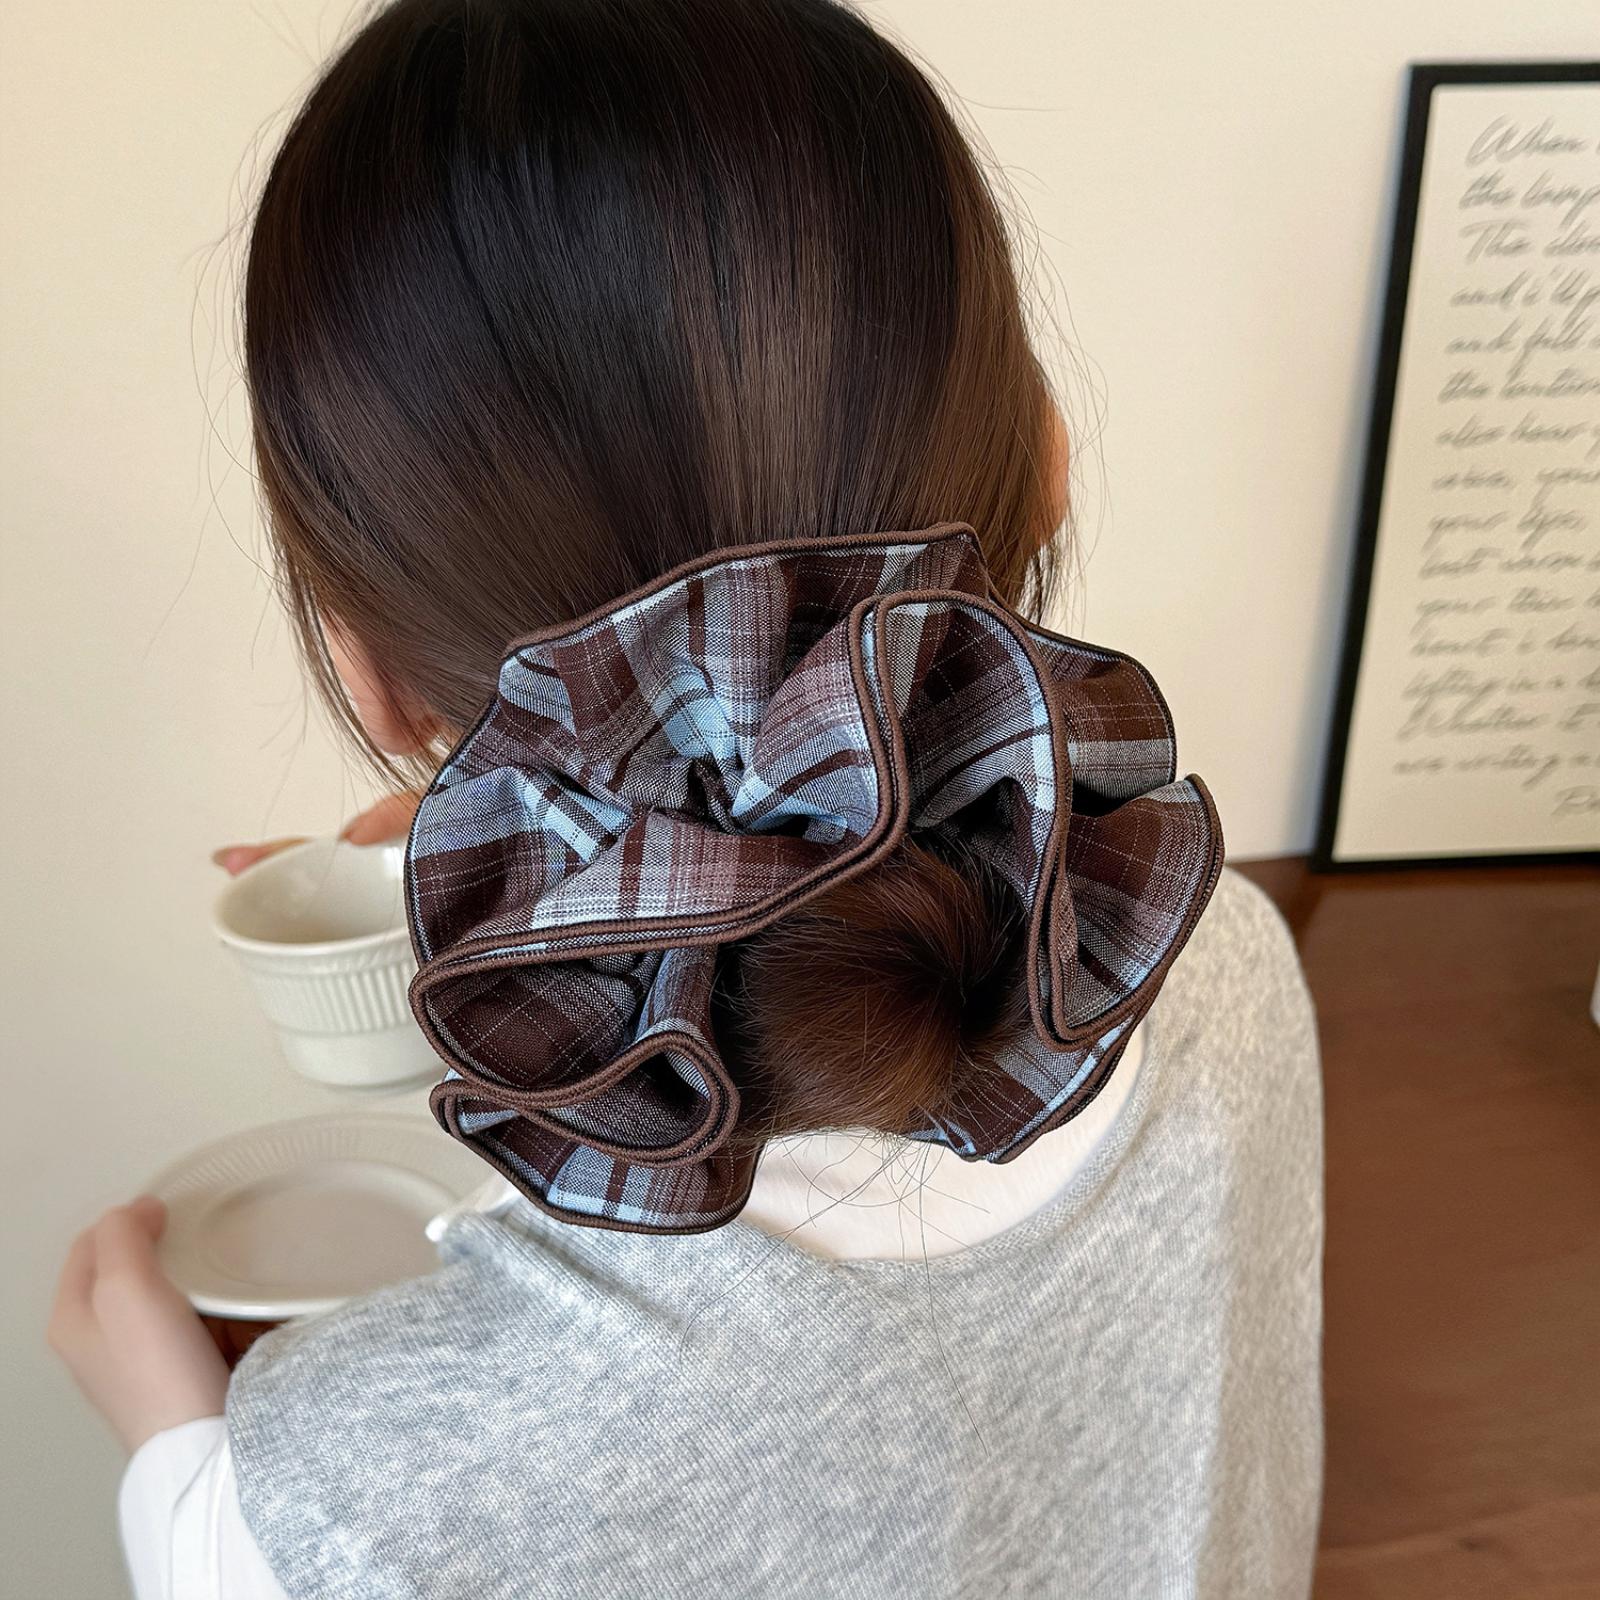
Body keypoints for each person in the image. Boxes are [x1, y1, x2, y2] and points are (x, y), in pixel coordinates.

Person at [48, 2, 1325, 1595]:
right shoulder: (1225, 959)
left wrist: (172, 1443)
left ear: (366, 673)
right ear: (1053, 457)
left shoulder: (333, 1518)